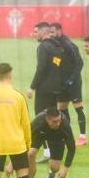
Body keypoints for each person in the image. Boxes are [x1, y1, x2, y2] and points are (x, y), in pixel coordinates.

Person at [26, 22, 66, 162]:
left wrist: (32, 87)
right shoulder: (57, 46)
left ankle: (47, 152)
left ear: (44, 32)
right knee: (53, 118)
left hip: (44, 89)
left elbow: (41, 68)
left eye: (36, 32)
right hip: (55, 89)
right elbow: (59, 67)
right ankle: (56, 149)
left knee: (41, 119)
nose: (34, 34)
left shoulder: (43, 47)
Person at [51, 23, 88, 146]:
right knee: (61, 109)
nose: (51, 34)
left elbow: (79, 63)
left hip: (73, 83)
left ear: (59, 31)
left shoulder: (68, 44)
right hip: (61, 84)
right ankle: (67, 134)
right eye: (50, 32)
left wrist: (72, 79)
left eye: (53, 31)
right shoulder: (55, 44)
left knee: (78, 108)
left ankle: (83, 136)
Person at [27, 107, 76, 178]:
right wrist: (12, 162)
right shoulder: (38, 121)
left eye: (59, 120)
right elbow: (25, 137)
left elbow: (72, 148)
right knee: (30, 154)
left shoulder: (64, 126)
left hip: (56, 136)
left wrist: (65, 169)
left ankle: (51, 175)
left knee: (55, 167)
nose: (58, 123)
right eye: (55, 121)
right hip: (41, 134)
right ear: (47, 119)